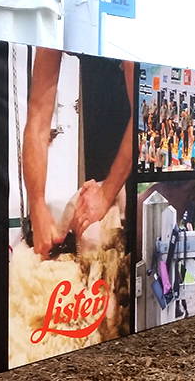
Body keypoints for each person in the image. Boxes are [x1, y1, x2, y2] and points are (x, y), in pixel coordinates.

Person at [22, 48, 135, 257]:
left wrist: (106, 193)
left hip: (140, 164)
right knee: (85, 234)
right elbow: (38, 117)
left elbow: (142, 118)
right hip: (101, 163)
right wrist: (37, 206)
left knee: (109, 245)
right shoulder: (57, 34)